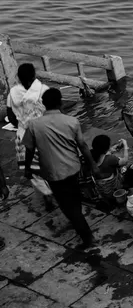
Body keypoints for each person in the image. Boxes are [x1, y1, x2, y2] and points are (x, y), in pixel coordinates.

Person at [22, 88, 97, 249]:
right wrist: (93, 165)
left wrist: (28, 168)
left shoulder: (34, 125)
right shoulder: (72, 121)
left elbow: (29, 149)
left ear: (43, 104)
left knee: (66, 205)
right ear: (60, 102)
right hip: (73, 167)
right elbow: (83, 146)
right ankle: (78, 219)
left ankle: (86, 236)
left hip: (52, 172)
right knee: (74, 198)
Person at [6, 63, 55, 210]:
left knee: (31, 168)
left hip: (23, 134)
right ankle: (52, 188)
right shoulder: (44, 90)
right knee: (48, 163)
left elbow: (11, 118)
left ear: (19, 78)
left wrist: (23, 122)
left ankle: (45, 192)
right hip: (44, 133)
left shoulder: (12, 93)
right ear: (34, 75)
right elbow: (54, 112)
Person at [80, 135, 128, 201]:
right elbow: (125, 161)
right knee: (125, 168)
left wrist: (112, 149)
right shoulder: (110, 159)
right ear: (107, 147)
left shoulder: (91, 157)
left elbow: (104, 153)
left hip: (102, 191)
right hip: (114, 190)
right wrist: (125, 145)